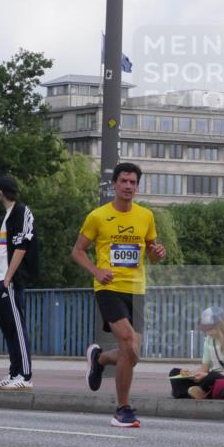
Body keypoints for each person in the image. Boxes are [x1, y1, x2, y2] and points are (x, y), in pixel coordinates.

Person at [72, 162, 166, 427]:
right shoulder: (98, 216)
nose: (128, 186)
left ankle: (100, 358)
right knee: (127, 342)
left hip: (137, 289)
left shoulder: (146, 216)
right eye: (123, 181)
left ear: (137, 186)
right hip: (109, 288)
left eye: (133, 182)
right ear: (114, 184)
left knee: (133, 353)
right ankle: (122, 409)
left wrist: (157, 253)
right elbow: (77, 251)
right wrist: (96, 270)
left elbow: (150, 250)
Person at [0, 175, 38, 389]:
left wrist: (8, 277)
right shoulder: (8, 216)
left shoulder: (21, 212)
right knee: (8, 328)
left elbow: (22, 246)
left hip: (10, 280)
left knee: (18, 327)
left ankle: (25, 376)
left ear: (1, 191)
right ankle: (14, 372)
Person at [169, 306, 224, 399]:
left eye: (209, 328)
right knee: (174, 372)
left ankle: (190, 392)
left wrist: (205, 375)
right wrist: (191, 374)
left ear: (219, 326)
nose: (207, 331)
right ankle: (198, 392)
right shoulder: (209, 340)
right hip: (210, 378)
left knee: (211, 377)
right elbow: (204, 368)